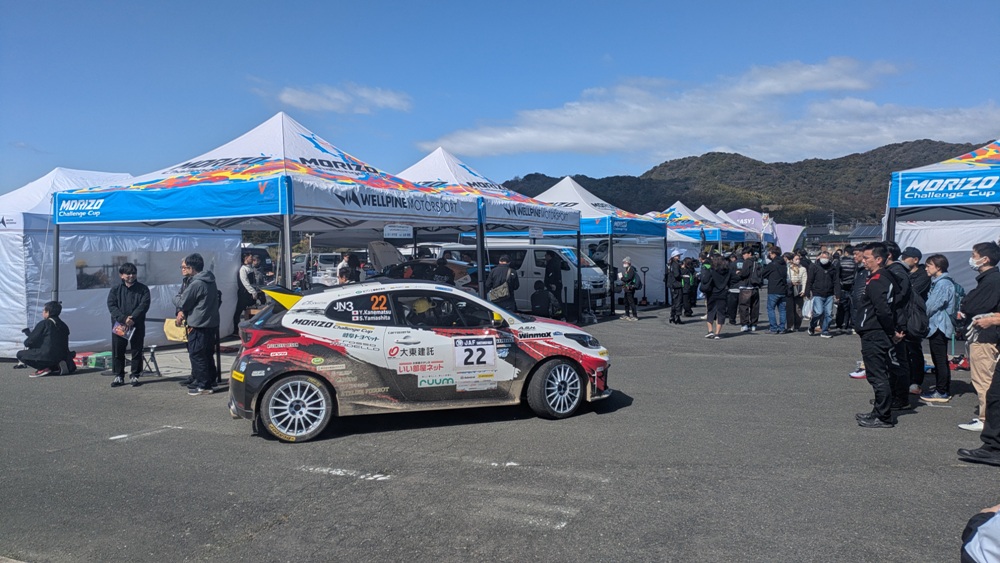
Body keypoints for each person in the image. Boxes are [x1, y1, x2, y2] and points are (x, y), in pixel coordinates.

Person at [956, 242, 1000, 432]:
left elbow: (973, 305)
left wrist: (965, 306)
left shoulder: (992, 280)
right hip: (987, 335)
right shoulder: (989, 279)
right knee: (986, 377)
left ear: (985, 259)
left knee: (983, 378)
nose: (972, 259)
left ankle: (985, 418)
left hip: (984, 336)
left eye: (974, 255)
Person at [854, 242, 897, 428]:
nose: (863, 261)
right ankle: (878, 412)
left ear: (878, 259)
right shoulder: (879, 278)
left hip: (875, 332)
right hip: (873, 330)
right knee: (875, 374)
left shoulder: (879, 280)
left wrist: (891, 331)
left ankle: (883, 416)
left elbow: (883, 310)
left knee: (878, 375)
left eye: (867, 258)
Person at [173, 253, 220, 396]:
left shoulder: (196, 283)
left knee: (197, 354)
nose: (184, 269)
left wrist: (176, 298)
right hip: (210, 323)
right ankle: (210, 380)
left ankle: (203, 385)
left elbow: (183, 302)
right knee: (207, 354)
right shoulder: (210, 280)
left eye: (185, 267)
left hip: (198, 324)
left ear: (191, 268)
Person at [107, 262, 150, 388]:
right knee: (118, 351)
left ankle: (135, 375)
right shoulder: (115, 289)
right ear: (121, 275)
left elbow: (144, 305)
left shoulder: (143, 289)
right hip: (120, 325)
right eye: (128, 274)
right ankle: (119, 375)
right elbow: (112, 306)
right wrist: (123, 319)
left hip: (137, 324)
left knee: (137, 350)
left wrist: (133, 318)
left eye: (133, 273)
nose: (131, 276)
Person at [920, 254, 956, 403]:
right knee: (940, 358)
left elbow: (932, 305)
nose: (926, 268)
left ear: (938, 267)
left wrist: (921, 316)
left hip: (939, 326)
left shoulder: (942, 284)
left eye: (929, 265)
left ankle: (942, 391)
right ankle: (942, 388)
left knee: (939, 359)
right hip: (939, 325)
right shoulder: (941, 282)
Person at [900, 246, 930, 395]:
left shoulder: (923, 275)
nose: (903, 260)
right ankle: (904, 378)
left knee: (914, 349)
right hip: (902, 314)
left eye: (906, 258)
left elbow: (910, 291)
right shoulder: (903, 272)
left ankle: (916, 381)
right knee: (902, 349)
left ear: (915, 260)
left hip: (915, 316)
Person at [17, 301, 73, 377]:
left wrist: (30, 337)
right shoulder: (64, 325)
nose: (42, 312)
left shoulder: (44, 323)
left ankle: (43, 368)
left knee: (20, 354)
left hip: (47, 356)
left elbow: (29, 342)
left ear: (48, 312)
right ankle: (57, 366)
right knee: (52, 353)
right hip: (63, 356)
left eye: (43, 310)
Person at [806, 250, 841, 338]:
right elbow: (809, 280)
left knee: (828, 314)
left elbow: (836, 281)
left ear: (829, 259)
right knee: (818, 312)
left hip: (829, 294)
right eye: (822, 257)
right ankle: (812, 325)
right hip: (817, 293)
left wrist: (837, 294)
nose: (824, 259)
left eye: (826, 257)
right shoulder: (814, 267)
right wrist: (807, 291)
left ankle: (824, 331)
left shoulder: (832, 268)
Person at [701, 254, 731, 339]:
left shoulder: (711, 270)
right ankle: (717, 333)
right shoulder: (727, 271)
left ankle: (710, 331)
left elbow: (705, 280)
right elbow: (732, 280)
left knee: (711, 311)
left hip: (712, 293)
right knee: (721, 313)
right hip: (723, 293)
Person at [760, 247, 787, 334]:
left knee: (771, 309)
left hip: (773, 289)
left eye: (770, 253)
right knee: (782, 310)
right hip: (783, 289)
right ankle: (782, 328)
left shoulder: (772, 264)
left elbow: (763, 273)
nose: (769, 255)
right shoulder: (784, 264)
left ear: (773, 254)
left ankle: (773, 328)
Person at [234, 253, 260, 336]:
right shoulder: (243, 269)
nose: (252, 259)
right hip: (244, 293)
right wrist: (252, 291)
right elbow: (245, 282)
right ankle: (235, 330)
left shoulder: (251, 268)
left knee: (252, 312)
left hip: (251, 293)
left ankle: (251, 329)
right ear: (246, 258)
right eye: (250, 257)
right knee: (239, 311)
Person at [736, 247, 762, 332]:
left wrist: (739, 273)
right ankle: (754, 324)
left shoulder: (747, 261)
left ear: (750, 253)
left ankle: (745, 324)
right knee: (755, 307)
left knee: (744, 306)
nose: (743, 255)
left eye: (745, 253)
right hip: (755, 287)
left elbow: (744, 274)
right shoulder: (757, 262)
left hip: (746, 287)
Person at [835, 245, 857, 331]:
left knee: (841, 307)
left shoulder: (840, 261)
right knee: (850, 307)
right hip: (852, 287)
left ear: (846, 252)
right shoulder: (855, 262)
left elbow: (837, 275)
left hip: (842, 287)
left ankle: (839, 324)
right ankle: (847, 324)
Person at [785, 252, 808, 332]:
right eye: (796, 259)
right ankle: (790, 326)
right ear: (792, 260)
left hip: (799, 288)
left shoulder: (803, 269)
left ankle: (797, 326)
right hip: (790, 288)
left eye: (799, 259)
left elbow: (804, 280)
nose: (798, 261)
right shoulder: (788, 268)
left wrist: (804, 290)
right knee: (789, 308)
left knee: (798, 308)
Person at [667, 249, 684, 324]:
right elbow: (677, 275)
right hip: (676, 285)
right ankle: (677, 317)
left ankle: (672, 316)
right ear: (674, 256)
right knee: (678, 301)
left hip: (672, 285)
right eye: (677, 256)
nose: (679, 257)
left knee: (674, 301)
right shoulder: (675, 264)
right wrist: (682, 276)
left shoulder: (670, 264)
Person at [619, 256, 639, 321]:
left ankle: (635, 316)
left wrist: (621, 278)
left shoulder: (631, 269)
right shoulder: (627, 269)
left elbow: (628, 278)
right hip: (627, 288)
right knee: (626, 301)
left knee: (631, 302)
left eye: (625, 262)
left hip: (630, 288)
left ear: (628, 262)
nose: (624, 264)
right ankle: (627, 314)